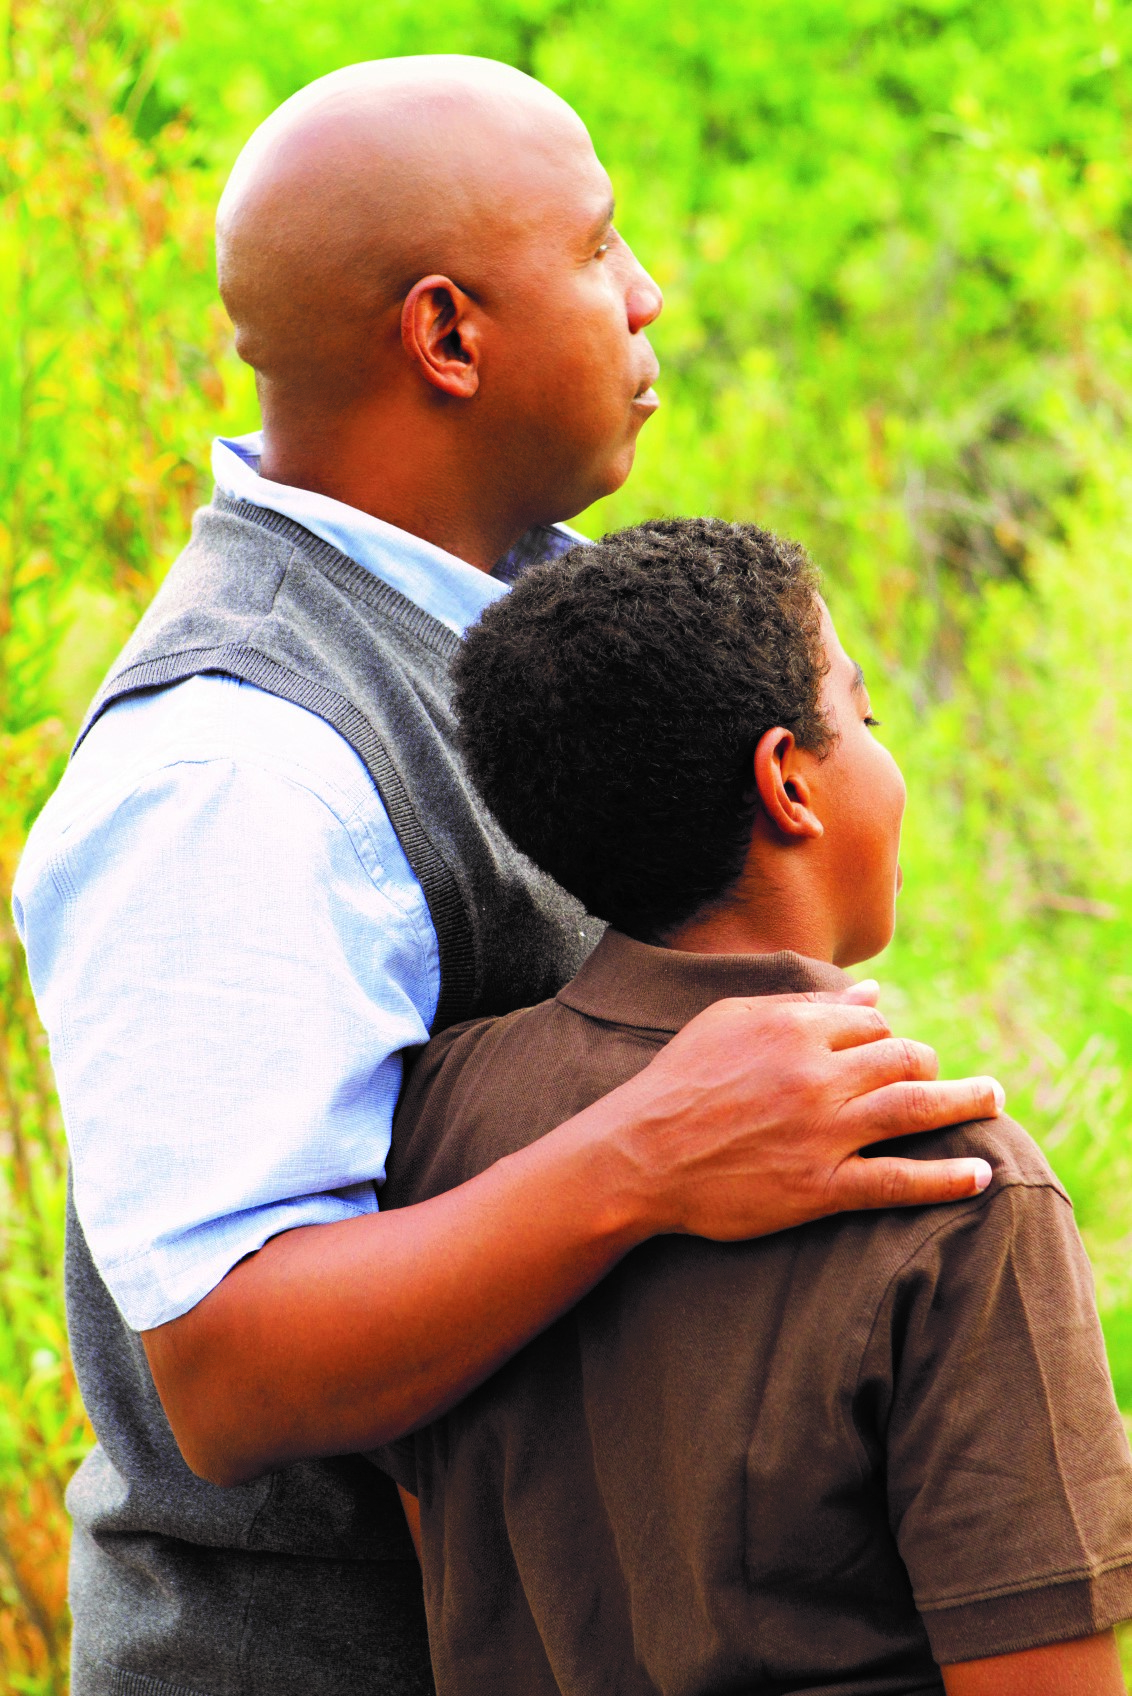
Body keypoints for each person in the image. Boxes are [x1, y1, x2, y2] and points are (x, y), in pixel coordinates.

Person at [13, 58, 1003, 1696]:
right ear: (449, 336)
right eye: (601, 248)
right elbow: (231, 1369)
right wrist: (660, 1148)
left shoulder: (536, 616)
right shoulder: (236, 771)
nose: (648, 293)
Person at [379, 518, 1132, 1696]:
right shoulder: (945, 1182)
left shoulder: (438, 1121)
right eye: (864, 719)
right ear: (788, 779)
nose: (887, 757)